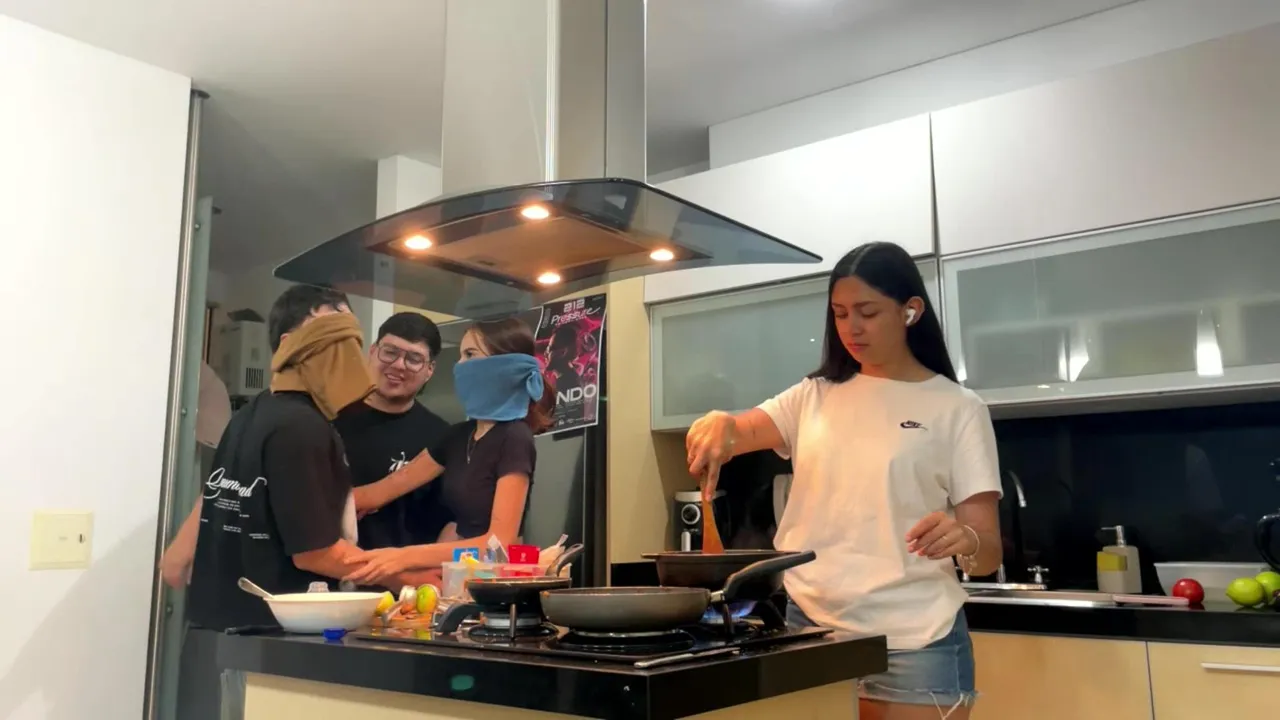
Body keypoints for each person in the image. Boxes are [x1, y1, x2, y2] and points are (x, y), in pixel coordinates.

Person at [685, 242, 1002, 720]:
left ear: (911, 311)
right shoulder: (811, 397)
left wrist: (966, 539)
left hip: (916, 641)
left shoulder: (958, 408)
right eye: (839, 313)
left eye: (867, 312)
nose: (851, 327)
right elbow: (739, 430)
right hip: (809, 631)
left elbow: (988, 551)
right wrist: (720, 424)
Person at [342, 317, 555, 584]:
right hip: (457, 579)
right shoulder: (456, 436)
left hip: (492, 585)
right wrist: (311, 503)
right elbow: (379, 493)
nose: (459, 365)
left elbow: (499, 542)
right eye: (460, 355)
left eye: (470, 355)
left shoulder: (514, 438)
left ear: (503, 366)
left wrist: (404, 557)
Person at [333, 312, 451, 549]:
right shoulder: (329, 420)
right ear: (372, 351)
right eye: (390, 352)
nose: (398, 365)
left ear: (430, 369)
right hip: (331, 567)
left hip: (410, 571)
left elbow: (451, 519)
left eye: (414, 358)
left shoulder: (442, 437)